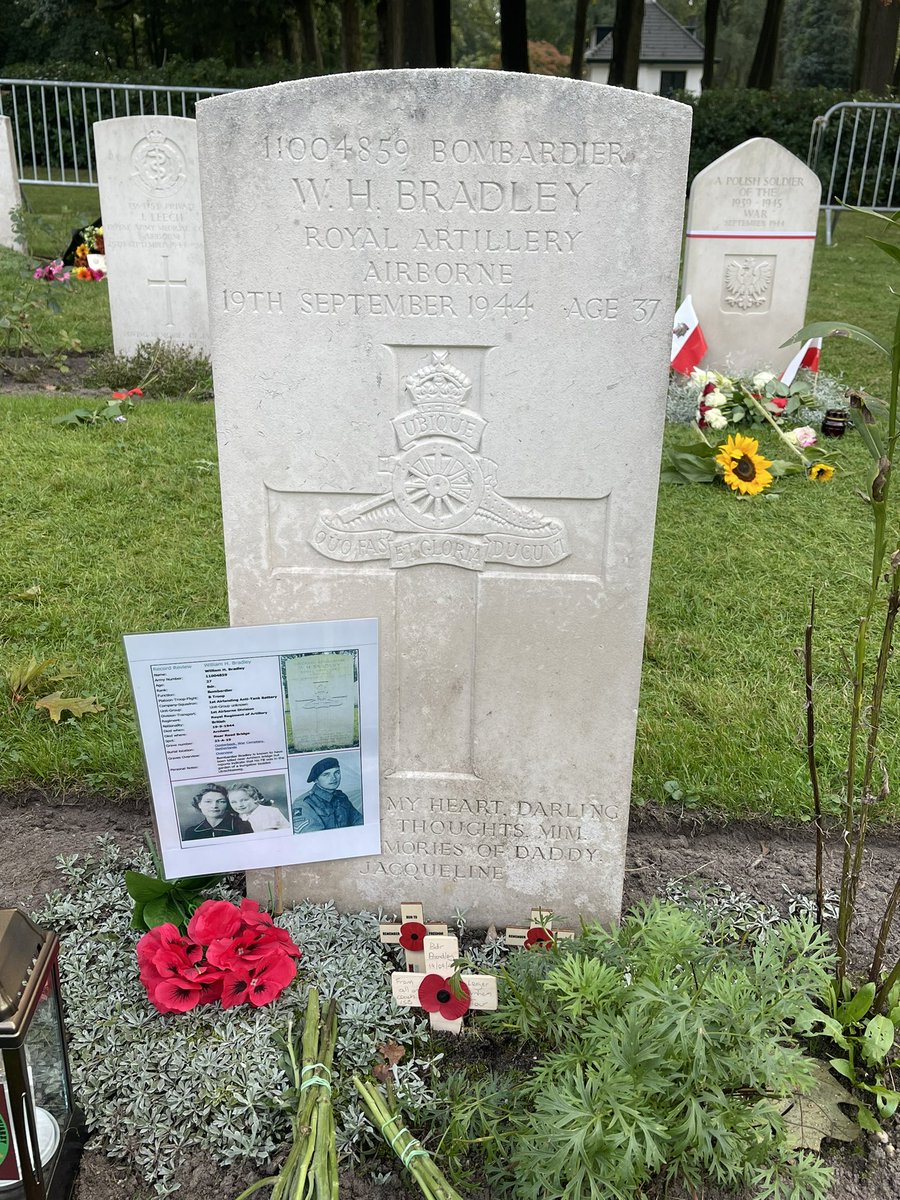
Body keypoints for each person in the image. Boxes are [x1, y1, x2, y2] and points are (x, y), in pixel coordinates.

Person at [292, 758, 362, 833]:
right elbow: (314, 839)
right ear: (316, 780)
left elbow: (359, 822)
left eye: (337, 772)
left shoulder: (341, 797)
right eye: (326, 774)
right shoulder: (304, 804)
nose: (333, 778)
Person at [183, 784, 251, 840]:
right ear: (199, 804)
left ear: (228, 804)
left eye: (221, 801)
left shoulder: (242, 826)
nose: (214, 806)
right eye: (208, 801)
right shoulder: (192, 832)